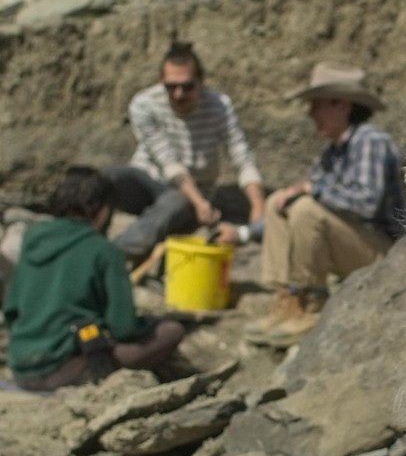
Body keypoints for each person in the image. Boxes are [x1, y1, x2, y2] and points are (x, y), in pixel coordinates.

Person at [244, 62, 406, 347]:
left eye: (316, 106)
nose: (310, 114)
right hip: (353, 243)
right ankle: (289, 297)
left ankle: (313, 301)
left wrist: (313, 190)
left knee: (306, 209)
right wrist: (243, 233)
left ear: (342, 105)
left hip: (383, 254)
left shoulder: (371, 141)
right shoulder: (331, 154)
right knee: (277, 204)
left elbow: (366, 204)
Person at [3, 167, 185, 391]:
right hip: (65, 370)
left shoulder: (32, 240)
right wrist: (149, 323)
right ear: (103, 210)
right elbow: (123, 327)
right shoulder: (103, 251)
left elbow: (11, 311)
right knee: (170, 331)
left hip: (21, 368)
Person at [105, 42, 265, 263]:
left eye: (187, 87)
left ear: (201, 82)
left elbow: (240, 155)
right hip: (149, 181)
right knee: (103, 179)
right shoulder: (144, 104)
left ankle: (115, 254)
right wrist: (200, 204)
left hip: (191, 195)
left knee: (177, 201)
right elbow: (168, 161)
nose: (179, 94)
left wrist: (257, 207)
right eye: (171, 87)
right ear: (161, 82)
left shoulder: (219, 106)